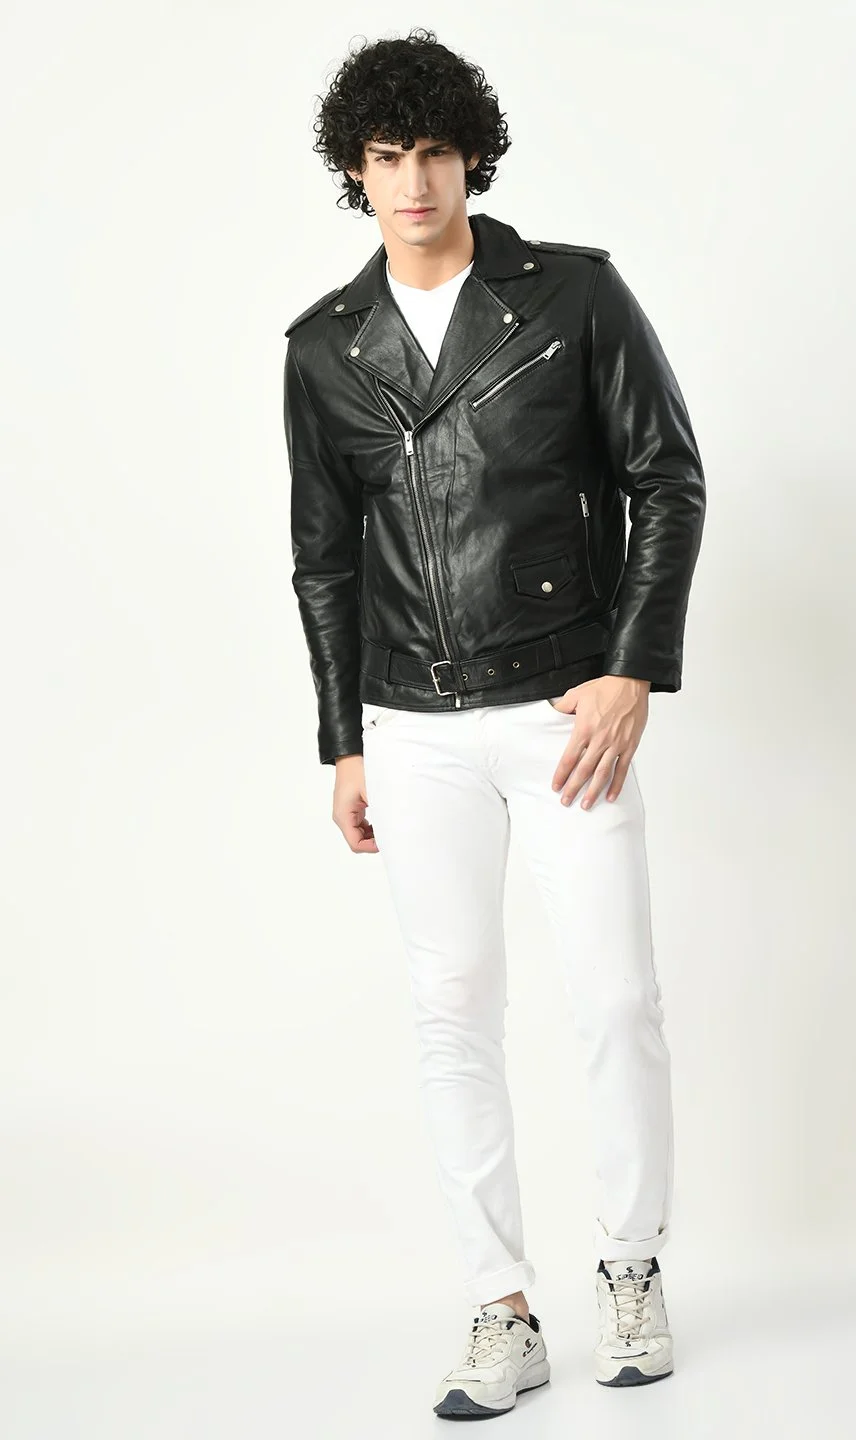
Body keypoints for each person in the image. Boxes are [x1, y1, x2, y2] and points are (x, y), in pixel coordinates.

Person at [283, 27, 706, 1420]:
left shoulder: (572, 295)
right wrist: (345, 739)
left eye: (435, 152)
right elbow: (324, 557)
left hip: (566, 708)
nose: (414, 181)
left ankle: (630, 1266)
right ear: (356, 171)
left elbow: (667, 476)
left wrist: (634, 669)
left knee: (617, 998)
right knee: (451, 1009)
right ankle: (500, 1304)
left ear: (473, 158)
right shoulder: (324, 348)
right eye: (387, 156)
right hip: (411, 725)